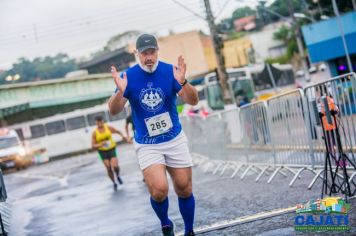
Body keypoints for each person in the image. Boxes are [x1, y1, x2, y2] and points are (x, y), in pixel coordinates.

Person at [108, 34, 199, 236]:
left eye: (152, 52)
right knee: (159, 190)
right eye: (144, 53)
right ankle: (166, 223)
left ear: (157, 51)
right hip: (148, 143)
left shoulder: (170, 71)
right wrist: (120, 93)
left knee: (184, 187)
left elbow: (193, 101)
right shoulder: (128, 77)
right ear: (137, 54)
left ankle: (190, 230)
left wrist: (183, 82)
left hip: (174, 138)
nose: (149, 57)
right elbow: (114, 110)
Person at [91, 116, 128, 191]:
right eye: (98, 122)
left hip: (111, 149)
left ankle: (117, 176)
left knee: (115, 166)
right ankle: (114, 182)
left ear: (103, 121)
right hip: (102, 151)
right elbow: (93, 146)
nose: (99, 124)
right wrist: (100, 144)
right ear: (96, 123)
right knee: (108, 167)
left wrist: (123, 136)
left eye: (101, 122)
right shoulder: (95, 133)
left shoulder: (108, 128)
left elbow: (118, 131)